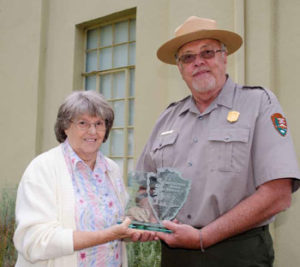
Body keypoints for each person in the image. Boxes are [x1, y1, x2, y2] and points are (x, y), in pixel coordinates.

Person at [136, 16, 300, 266]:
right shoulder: (167, 118)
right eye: (188, 57)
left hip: (237, 253)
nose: (198, 62)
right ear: (180, 69)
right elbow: (143, 187)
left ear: (224, 56)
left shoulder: (258, 104)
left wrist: (203, 237)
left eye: (207, 52)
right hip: (175, 254)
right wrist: (149, 219)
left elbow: (278, 194)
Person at [13, 90, 154, 267]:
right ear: (65, 126)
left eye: (99, 123)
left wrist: (133, 225)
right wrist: (109, 235)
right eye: (83, 123)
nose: (93, 131)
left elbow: (114, 224)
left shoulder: (111, 169)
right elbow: (34, 241)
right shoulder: (42, 169)